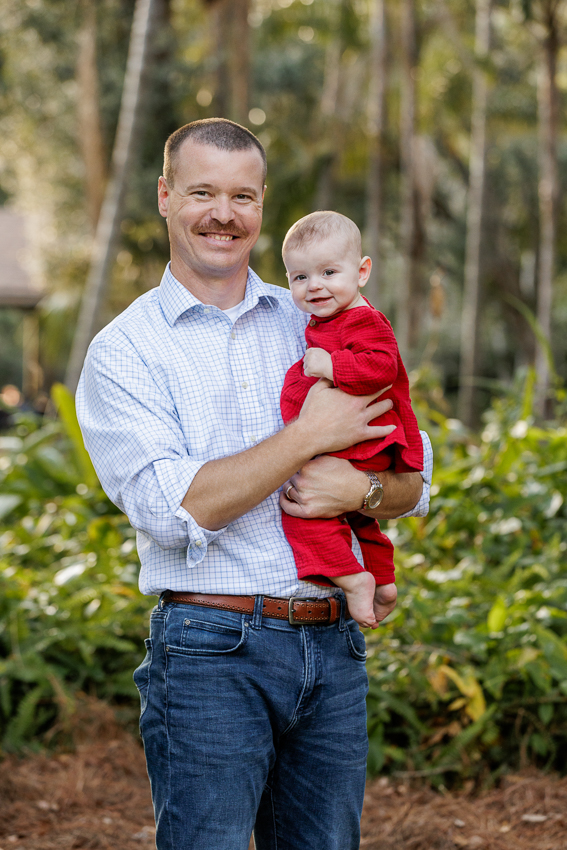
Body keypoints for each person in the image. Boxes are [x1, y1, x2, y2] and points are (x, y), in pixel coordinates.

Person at [76, 118, 432, 850]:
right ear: (166, 197)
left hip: (334, 645)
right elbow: (172, 510)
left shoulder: (315, 315)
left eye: (242, 195)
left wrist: (355, 495)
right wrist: (308, 437)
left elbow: (412, 474)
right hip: (210, 650)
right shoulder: (125, 352)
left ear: (262, 206)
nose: (223, 213)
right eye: (203, 191)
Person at [280, 211, 423, 629]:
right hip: (358, 448)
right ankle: (383, 579)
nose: (315, 285)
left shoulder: (363, 319)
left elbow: (381, 367)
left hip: (364, 446)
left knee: (305, 512)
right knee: (359, 519)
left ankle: (352, 579)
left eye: (328, 272)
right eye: (300, 277)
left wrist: (330, 363)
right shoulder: (333, 318)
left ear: (362, 272)